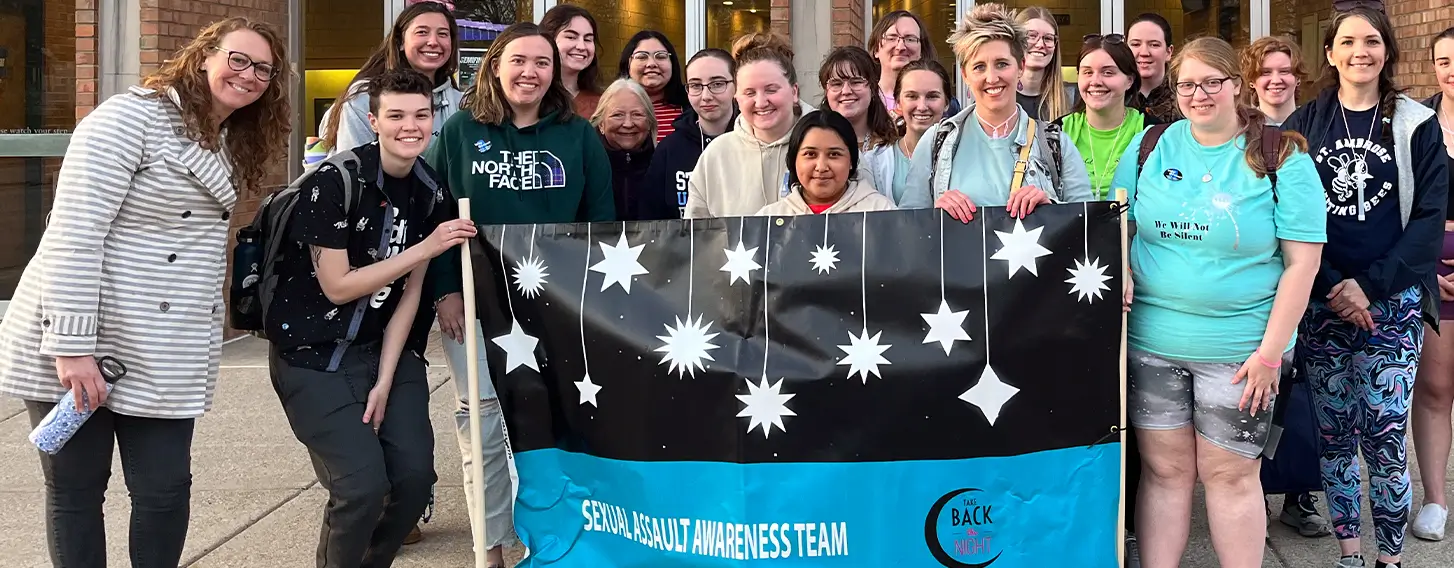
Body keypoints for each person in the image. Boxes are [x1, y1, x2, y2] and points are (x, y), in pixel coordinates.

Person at [0, 17, 291, 567]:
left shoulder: (228, 139)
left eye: (263, 70)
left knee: (164, 490)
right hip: (84, 334)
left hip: (160, 344)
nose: (249, 75)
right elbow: (74, 233)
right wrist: (72, 347)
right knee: (77, 489)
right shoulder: (129, 118)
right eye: (238, 59)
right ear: (203, 55)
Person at [1115, 35, 1326, 568]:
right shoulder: (1149, 145)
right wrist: (1122, 268)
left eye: (1212, 82)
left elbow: (1302, 264)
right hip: (1151, 345)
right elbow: (1120, 224)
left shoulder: (1282, 155)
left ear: (1237, 85)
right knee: (1164, 473)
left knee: (1230, 476)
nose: (1199, 94)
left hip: (1241, 353)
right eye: (1187, 84)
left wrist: (1270, 356)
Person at [424, 22, 615, 567]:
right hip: (476, 300)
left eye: (542, 62)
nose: (530, 72)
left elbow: (601, 221)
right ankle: (489, 548)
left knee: (552, 417)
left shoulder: (577, 136)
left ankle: (550, 538)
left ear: (555, 72)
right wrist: (445, 291)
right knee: (482, 417)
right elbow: (434, 214)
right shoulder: (460, 131)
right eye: (519, 61)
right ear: (495, 66)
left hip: (558, 305)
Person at [267, 69, 465, 568]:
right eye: (396, 115)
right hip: (313, 352)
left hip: (384, 349)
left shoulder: (430, 189)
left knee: (414, 481)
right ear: (373, 121)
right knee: (361, 487)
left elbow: (411, 295)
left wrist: (385, 378)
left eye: (421, 115)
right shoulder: (335, 181)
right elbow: (338, 286)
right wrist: (425, 247)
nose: (410, 126)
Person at [1283, 7, 1450, 567]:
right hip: (1323, 301)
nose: (1361, 51)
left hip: (1392, 303)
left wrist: (1370, 286)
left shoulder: (1416, 124)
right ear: (1330, 53)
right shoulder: (1304, 124)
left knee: (1384, 436)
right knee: (1333, 436)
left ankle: (1391, 559)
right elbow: (1290, 214)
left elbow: (1428, 220)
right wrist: (1334, 285)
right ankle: (1350, 554)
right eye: (1349, 41)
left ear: (1387, 51)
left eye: (1373, 41)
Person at [1236, 33, 1332, 540]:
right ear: (1250, 81)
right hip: (1257, 286)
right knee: (1258, 394)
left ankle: (1299, 495)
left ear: (1299, 76)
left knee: (1301, 399)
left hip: (1314, 279)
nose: (1276, 80)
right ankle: (1251, 494)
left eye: (1284, 70)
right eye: (1264, 72)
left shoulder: (1317, 128)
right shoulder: (1242, 132)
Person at [898, 3, 1093, 221]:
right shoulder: (935, 142)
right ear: (965, 74)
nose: (991, 78)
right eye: (979, 67)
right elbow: (907, 224)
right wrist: (933, 215)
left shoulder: (1056, 144)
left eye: (1001, 64)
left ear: (1020, 66)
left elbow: (1088, 223)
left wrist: (1052, 209)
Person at [684, 33, 805, 218]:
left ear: (794, 91)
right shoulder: (716, 155)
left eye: (771, 90)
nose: (761, 102)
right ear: (737, 97)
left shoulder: (827, 144)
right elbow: (696, 230)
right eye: (749, 93)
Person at [319, 0, 459, 156]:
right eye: (422, 32)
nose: (433, 42)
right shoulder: (364, 98)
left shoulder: (463, 102)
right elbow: (353, 164)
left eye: (442, 34)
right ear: (400, 42)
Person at [1412, 24, 1454, 544]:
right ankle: (1435, 500)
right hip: (1431, 271)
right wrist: (1424, 267)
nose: (1452, 70)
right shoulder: (1418, 124)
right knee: (1436, 388)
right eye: (1443, 60)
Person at [638, 48, 737, 220]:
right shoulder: (669, 149)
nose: (706, 96)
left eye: (717, 84)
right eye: (696, 86)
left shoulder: (754, 142)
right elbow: (651, 219)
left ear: (736, 85)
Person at [1059, 33, 1154, 201]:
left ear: (1130, 80)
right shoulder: (1056, 133)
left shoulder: (1152, 134)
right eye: (1087, 72)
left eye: (1108, 72)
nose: (1095, 81)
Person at [757, 110, 897, 215]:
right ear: (794, 160)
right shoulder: (769, 220)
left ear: (851, 161)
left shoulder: (882, 213)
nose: (821, 167)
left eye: (834, 154)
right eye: (810, 154)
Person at [818, 46, 899, 197]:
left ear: (873, 88)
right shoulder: (811, 142)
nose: (846, 91)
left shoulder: (895, 143)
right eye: (836, 84)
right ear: (826, 91)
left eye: (856, 82)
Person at [868, 10, 962, 118]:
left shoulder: (948, 106)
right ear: (876, 49)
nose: (900, 47)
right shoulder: (862, 100)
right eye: (891, 38)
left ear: (922, 50)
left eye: (910, 39)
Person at [887, 59, 952, 205]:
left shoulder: (962, 153)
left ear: (946, 103)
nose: (922, 107)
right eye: (912, 96)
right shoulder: (878, 160)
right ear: (898, 102)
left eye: (932, 96)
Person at [591, 78, 658, 220]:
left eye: (637, 114)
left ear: (649, 122)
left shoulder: (662, 164)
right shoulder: (586, 166)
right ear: (601, 124)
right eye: (617, 115)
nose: (628, 124)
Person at [618, 31, 689, 142]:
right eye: (642, 57)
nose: (651, 64)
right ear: (628, 63)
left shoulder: (693, 105)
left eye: (660, 56)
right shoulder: (611, 107)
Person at [1014, 6, 1078, 121]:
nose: (1040, 45)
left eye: (1048, 38)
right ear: (1015, 41)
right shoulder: (998, 96)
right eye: (1031, 36)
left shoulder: (1072, 98)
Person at [540, 4, 603, 118]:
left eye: (588, 39)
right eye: (571, 37)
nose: (581, 46)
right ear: (548, 40)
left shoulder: (603, 104)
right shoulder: (532, 98)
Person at [1127, 13, 1179, 122]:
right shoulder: (1114, 94)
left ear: (1169, 52)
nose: (1144, 53)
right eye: (1136, 44)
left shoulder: (1185, 94)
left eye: (1154, 45)